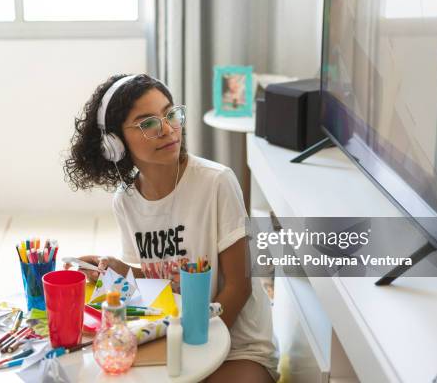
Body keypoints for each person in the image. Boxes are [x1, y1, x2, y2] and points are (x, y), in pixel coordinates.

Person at [64, 74, 278, 382]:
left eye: (170, 114)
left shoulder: (216, 182)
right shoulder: (125, 201)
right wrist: (116, 268)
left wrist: (196, 347)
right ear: (114, 143)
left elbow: (238, 286)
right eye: (148, 122)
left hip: (239, 348)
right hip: (178, 338)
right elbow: (162, 278)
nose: (167, 129)